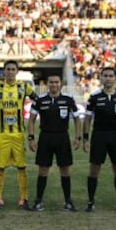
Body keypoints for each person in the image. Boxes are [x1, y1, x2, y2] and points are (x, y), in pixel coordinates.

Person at [83, 67, 116, 212]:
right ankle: (90, 202)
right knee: (94, 169)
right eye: (105, 76)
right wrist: (86, 139)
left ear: (115, 78)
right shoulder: (94, 97)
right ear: (101, 78)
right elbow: (87, 119)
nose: (108, 78)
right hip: (99, 135)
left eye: (111, 76)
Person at [28, 75, 81, 211]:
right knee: (43, 169)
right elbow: (32, 120)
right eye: (51, 82)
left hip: (62, 137)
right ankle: (38, 201)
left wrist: (78, 137)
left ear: (61, 84)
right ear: (47, 84)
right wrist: (31, 138)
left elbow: (76, 119)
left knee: (65, 170)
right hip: (45, 137)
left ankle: (68, 202)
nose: (54, 84)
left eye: (56, 82)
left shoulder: (68, 100)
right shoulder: (40, 100)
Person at [0, 60, 36, 210]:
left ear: (17, 71)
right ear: (4, 71)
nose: (10, 72)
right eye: (7, 69)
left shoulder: (24, 87)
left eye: (12, 69)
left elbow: (38, 100)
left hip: (18, 134)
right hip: (2, 134)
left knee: (21, 167)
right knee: (0, 167)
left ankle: (24, 199)